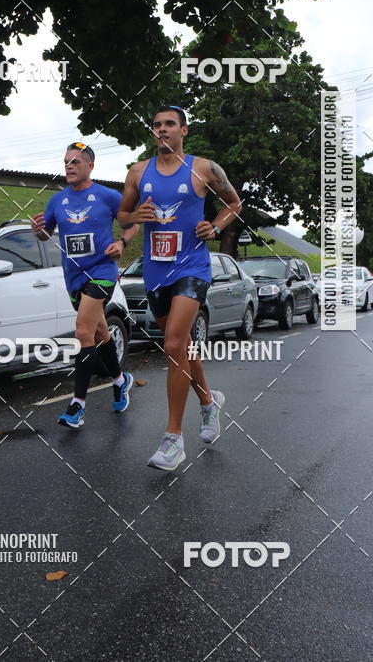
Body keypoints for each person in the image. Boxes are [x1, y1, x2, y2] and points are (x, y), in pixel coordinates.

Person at [118, 105, 242, 470]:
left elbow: (234, 203)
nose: (162, 130)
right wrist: (133, 216)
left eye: (169, 124)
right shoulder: (138, 172)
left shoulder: (204, 168)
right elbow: (123, 214)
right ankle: (209, 401)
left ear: (184, 130)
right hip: (156, 270)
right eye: (156, 125)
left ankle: (173, 440)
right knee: (182, 348)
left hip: (192, 266)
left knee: (173, 344)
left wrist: (215, 227)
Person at [31, 142, 139, 428]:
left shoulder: (107, 196)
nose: (69, 165)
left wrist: (121, 242)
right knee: (100, 332)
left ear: (90, 166)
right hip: (74, 277)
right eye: (66, 161)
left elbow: (134, 222)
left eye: (76, 161)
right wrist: (38, 231)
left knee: (82, 331)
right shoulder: (57, 201)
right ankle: (120, 379)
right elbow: (46, 234)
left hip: (102, 272)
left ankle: (77, 406)